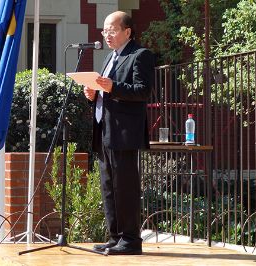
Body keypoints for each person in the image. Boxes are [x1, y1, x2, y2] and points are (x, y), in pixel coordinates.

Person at [83, 11, 154, 255]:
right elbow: (107, 92)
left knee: (125, 187)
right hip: (104, 130)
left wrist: (112, 87)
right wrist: (93, 95)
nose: (107, 34)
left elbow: (143, 91)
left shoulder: (140, 55)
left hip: (124, 133)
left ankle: (131, 240)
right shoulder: (109, 57)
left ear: (127, 31)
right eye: (105, 30)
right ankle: (115, 238)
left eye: (112, 30)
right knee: (109, 187)